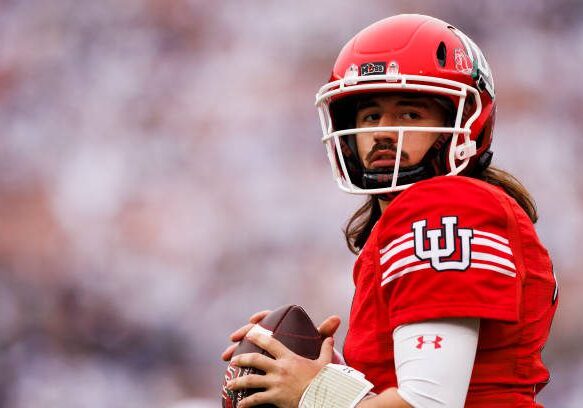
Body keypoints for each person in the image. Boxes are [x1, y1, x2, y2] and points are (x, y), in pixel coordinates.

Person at [221, 14, 558, 408]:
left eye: (409, 113)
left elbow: (428, 403)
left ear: (465, 121)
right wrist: (313, 369)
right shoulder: (410, 219)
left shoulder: (445, 205)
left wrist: (312, 391)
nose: (383, 131)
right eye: (370, 116)